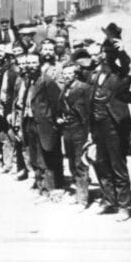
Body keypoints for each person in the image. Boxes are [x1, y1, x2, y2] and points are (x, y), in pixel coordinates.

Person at [90, 24, 131, 215]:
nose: (105, 55)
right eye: (103, 51)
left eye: (109, 52)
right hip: (98, 126)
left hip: (114, 127)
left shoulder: (119, 73)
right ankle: (109, 200)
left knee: (118, 166)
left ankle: (125, 205)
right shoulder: (95, 75)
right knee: (102, 163)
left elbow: (127, 64)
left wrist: (121, 50)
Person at [25, 53, 64, 197]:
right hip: (31, 122)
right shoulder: (29, 80)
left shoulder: (46, 81)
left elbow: (57, 102)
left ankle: (50, 189)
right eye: (28, 63)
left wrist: (52, 120)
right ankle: (40, 185)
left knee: (46, 158)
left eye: (34, 63)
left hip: (44, 124)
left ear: (40, 64)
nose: (31, 66)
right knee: (34, 157)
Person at [58, 63, 93, 206]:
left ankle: (83, 198)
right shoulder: (64, 88)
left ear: (76, 74)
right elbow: (61, 107)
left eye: (69, 73)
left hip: (80, 128)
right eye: (64, 73)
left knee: (81, 163)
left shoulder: (84, 88)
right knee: (71, 161)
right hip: (67, 128)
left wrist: (90, 132)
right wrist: (59, 117)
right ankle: (77, 191)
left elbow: (89, 112)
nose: (66, 76)